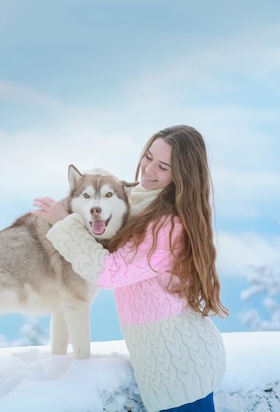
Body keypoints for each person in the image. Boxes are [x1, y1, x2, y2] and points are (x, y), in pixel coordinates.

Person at [33, 125, 228, 412]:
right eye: (148, 157)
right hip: (168, 367)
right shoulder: (136, 202)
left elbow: (111, 272)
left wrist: (68, 222)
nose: (148, 169)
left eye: (162, 167)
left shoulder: (169, 225)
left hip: (182, 368)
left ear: (181, 177)